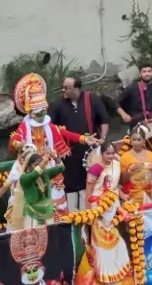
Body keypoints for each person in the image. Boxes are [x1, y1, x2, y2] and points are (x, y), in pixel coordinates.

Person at [10, 73, 98, 221]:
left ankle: (59, 225)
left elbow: (65, 133)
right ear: (30, 112)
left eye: (44, 111)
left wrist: (84, 139)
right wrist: (20, 144)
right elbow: (13, 141)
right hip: (31, 168)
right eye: (39, 112)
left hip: (50, 166)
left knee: (56, 200)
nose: (43, 115)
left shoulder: (49, 126)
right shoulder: (24, 128)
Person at [75, 141, 134, 285]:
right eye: (106, 153)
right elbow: (89, 191)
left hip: (112, 204)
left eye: (112, 153)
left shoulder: (116, 164)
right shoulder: (96, 168)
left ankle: (118, 276)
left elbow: (116, 186)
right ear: (101, 154)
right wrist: (90, 211)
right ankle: (105, 279)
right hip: (98, 206)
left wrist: (121, 199)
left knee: (118, 242)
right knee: (101, 244)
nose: (110, 156)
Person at [49, 76, 109, 213]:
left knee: (90, 183)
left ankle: (89, 214)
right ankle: (71, 217)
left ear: (76, 88)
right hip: (68, 155)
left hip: (90, 152)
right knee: (69, 186)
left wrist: (103, 138)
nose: (63, 90)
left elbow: (104, 120)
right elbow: (50, 127)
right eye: (63, 86)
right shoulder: (57, 105)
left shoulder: (92, 99)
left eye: (67, 88)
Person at [0, 144, 37, 232]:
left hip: (32, 204)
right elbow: (4, 188)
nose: (21, 158)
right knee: (14, 233)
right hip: (16, 204)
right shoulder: (16, 167)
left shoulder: (37, 167)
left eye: (25, 156)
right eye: (20, 155)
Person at [19, 151, 66, 228]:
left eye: (41, 164)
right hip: (33, 215)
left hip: (48, 212)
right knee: (35, 238)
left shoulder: (45, 173)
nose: (41, 166)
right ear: (28, 166)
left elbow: (61, 168)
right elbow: (34, 174)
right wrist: (44, 161)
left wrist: (54, 156)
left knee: (50, 237)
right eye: (36, 165)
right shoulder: (24, 178)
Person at [120, 125, 152, 205]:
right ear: (130, 141)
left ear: (144, 141)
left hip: (150, 193)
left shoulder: (150, 155)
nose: (136, 142)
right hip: (132, 195)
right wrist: (131, 169)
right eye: (134, 139)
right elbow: (122, 181)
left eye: (139, 139)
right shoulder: (125, 157)